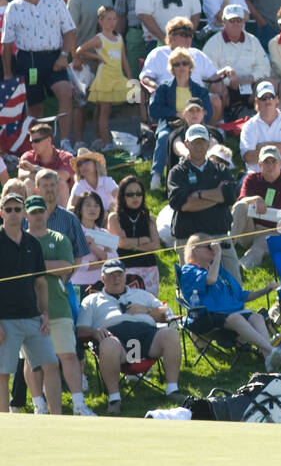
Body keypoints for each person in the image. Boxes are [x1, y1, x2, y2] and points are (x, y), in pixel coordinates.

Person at [76, 260, 181, 412]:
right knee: (108, 343)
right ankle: (114, 399)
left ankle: (172, 390)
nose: (116, 279)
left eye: (119, 275)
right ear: (103, 278)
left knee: (171, 334)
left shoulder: (142, 294)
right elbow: (81, 330)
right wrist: (94, 332)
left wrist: (147, 310)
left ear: (125, 277)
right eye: (111, 276)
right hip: (117, 343)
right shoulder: (91, 300)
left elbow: (168, 315)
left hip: (147, 338)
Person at [22, 192, 92, 416]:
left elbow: (67, 266)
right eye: (33, 213)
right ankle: (39, 406)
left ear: (45, 212)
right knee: (34, 363)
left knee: (68, 356)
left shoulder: (59, 238)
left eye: (40, 211)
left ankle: (79, 405)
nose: (38, 216)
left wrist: (36, 264)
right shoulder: (19, 241)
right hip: (28, 311)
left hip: (59, 307)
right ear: (27, 216)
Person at [179, 236, 281, 368]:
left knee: (257, 317)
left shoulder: (219, 271)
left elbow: (241, 296)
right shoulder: (188, 270)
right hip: (204, 317)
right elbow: (210, 280)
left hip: (229, 315)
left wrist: (265, 290)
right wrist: (219, 254)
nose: (214, 250)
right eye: (210, 247)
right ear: (196, 250)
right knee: (236, 318)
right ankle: (273, 351)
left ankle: (269, 360)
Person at [1, 0, 76, 149]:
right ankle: (39, 146)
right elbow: (7, 43)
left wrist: (64, 55)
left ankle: (65, 142)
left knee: (66, 93)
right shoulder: (14, 7)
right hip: (28, 61)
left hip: (54, 58)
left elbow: (69, 31)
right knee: (35, 107)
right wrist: (8, 73)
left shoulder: (56, 0)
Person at [0, 187, 60, 415]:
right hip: (5, 319)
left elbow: (41, 284)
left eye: (18, 209)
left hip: (33, 317)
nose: (13, 213)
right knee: (3, 374)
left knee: (52, 364)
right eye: (9, 209)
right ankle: (3, 423)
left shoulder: (32, 243)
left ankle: (59, 420)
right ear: (1, 212)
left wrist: (44, 313)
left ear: (24, 213)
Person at [166, 125, 242, 284]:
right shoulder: (177, 172)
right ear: (186, 144)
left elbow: (230, 195)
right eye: (195, 142)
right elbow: (181, 204)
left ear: (209, 144)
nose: (199, 146)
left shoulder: (221, 169)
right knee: (192, 286)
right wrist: (217, 196)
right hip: (188, 239)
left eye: (202, 142)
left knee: (234, 283)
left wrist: (199, 195)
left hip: (219, 234)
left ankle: (235, 309)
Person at [231, 145, 281, 270]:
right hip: (249, 228)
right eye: (266, 162)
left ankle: (241, 268)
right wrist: (255, 199)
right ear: (260, 165)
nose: (270, 166)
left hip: (273, 231)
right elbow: (241, 201)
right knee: (240, 206)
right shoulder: (251, 179)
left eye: (274, 161)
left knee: (258, 249)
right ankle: (228, 246)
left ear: (280, 163)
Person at [148, 48, 213, 190]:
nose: (181, 67)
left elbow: (209, 111)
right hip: (171, 124)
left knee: (211, 138)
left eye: (184, 63)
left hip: (194, 125)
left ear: (190, 67)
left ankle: (212, 171)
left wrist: (194, 119)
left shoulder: (200, 89)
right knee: (164, 137)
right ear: (172, 68)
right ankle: (157, 175)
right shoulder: (164, 88)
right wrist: (176, 114)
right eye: (177, 64)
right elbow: (153, 110)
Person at [73, 5, 131, 150]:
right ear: (101, 21)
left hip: (116, 77)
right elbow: (80, 50)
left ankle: (98, 139)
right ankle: (106, 143)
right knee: (104, 111)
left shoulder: (119, 38)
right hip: (104, 78)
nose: (112, 22)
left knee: (102, 110)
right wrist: (96, 56)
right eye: (108, 19)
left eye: (114, 19)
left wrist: (130, 78)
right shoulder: (99, 39)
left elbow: (124, 59)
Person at [107, 173, 162, 295]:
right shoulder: (114, 218)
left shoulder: (149, 218)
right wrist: (142, 240)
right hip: (124, 270)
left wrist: (132, 246)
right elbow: (120, 243)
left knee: (150, 309)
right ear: (122, 196)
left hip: (149, 269)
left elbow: (155, 245)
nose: (135, 197)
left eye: (139, 193)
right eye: (130, 194)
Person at [239, 80, 281, 174]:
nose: (268, 101)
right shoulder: (249, 126)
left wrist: (263, 146)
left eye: (271, 97)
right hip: (257, 180)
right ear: (257, 101)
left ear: (276, 99)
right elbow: (248, 157)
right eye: (264, 98)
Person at [17, 121, 73, 203]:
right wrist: (51, 176)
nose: (33, 145)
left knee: (61, 183)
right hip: (37, 197)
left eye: (37, 141)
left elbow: (64, 176)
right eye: (31, 142)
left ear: (48, 140)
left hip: (56, 197)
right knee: (29, 182)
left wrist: (34, 169)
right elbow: (21, 176)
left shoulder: (65, 156)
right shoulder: (28, 156)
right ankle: (29, 215)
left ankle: (63, 216)